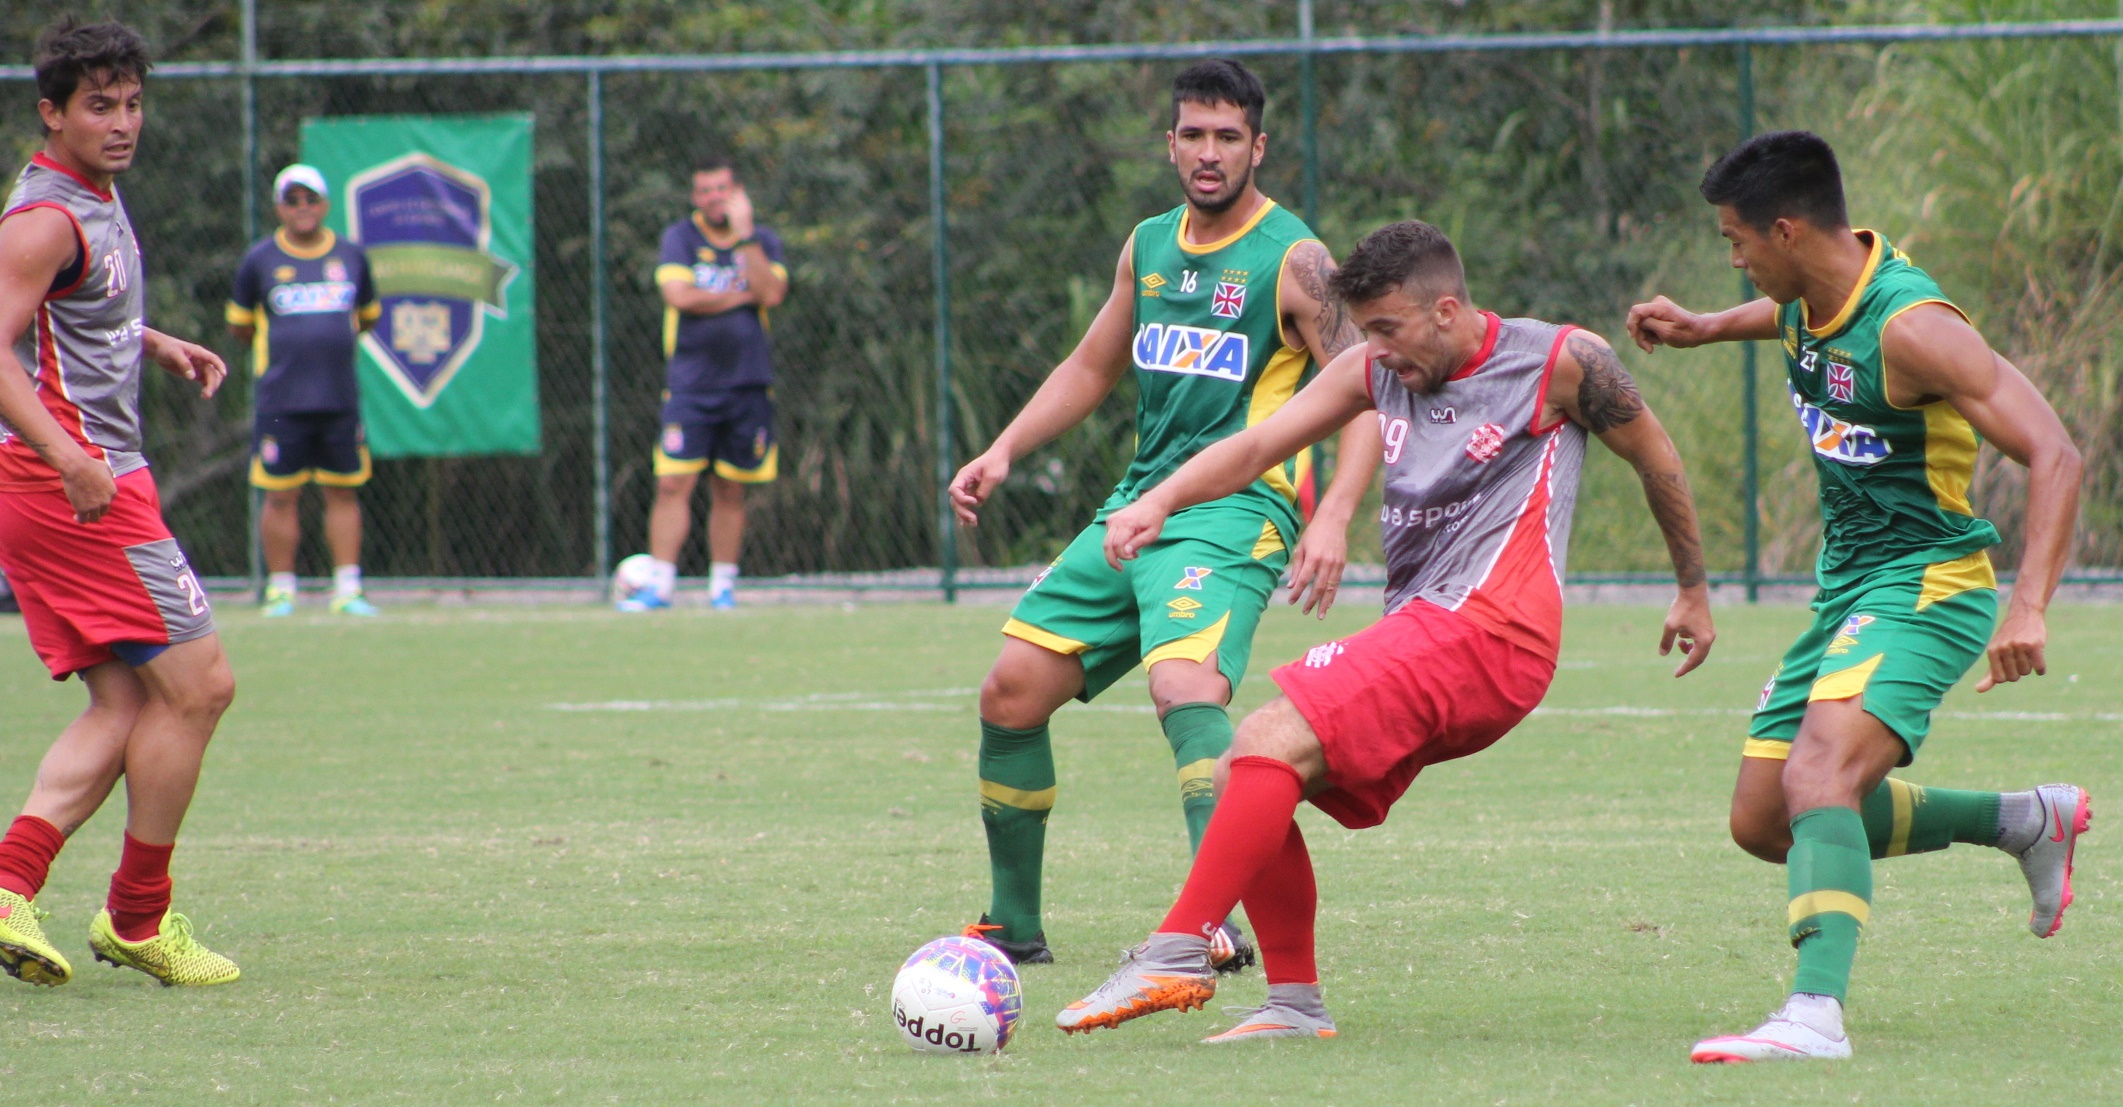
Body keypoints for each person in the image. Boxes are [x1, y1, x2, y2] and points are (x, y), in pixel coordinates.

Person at [1052, 218, 1715, 1043]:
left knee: (1266, 732)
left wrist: (1691, 587)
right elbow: (1260, 442)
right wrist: (1157, 501)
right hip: (1431, 627)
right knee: (1242, 774)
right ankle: (1293, 1005)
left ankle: (1176, 949)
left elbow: (1657, 457)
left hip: (1493, 628)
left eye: (1388, 329)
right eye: (1365, 331)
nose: (1376, 350)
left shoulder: (1558, 361)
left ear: (1445, 310)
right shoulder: (1372, 367)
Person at [1626, 131, 2087, 1063]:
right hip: (1847, 591)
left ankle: (1813, 1014)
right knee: (1762, 817)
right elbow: (1785, 322)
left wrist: (2028, 603)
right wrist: (1709, 323)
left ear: (1786, 231)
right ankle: (2024, 819)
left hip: (1930, 581)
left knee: (1818, 778)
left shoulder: (1911, 327)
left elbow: (2055, 452)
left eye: (1736, 241)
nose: (1733, 257)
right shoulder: (1806, 295)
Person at [946, 60, 1383, 971]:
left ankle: (1211, 923)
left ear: (1257, 146)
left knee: (1185, 687)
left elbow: (1369, 393)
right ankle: (1012, 926)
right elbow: (1091, 365)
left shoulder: (1297, 258)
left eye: (1229, 136)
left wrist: (1335, 512)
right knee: (1009, 693)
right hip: (1139, 505)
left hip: (1237, 512)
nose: (1209, 152)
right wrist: (1004, 448)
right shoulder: (1147, 244)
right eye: (1193, 134)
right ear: (1170, 143)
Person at [0, 17, 241, 988]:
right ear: (52, 113)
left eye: (133, 103)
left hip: (60, 481)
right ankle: (138, 917)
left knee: (129, 698)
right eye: (99, 105)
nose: (122, 122)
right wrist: (67, 452)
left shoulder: (87, 201)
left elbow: (68, 311)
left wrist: (152, 338)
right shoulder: (46, 217)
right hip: (76, 488)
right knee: (204, 686)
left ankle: (11, 886)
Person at [616, 156, 788, 611]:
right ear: (696, 197)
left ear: (737, 192)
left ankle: (722, 588)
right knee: (673, 484)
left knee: (731, 489)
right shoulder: (680, 238)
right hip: (690, 386)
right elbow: (679, 296)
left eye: (722, 189)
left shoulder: (762, 240)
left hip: (748, 384)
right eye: (706, 191)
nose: (715, 198)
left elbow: (770, 293)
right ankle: (661, 586)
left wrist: (745, 236)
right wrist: (740, 295)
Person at [228, 163, 381, 617]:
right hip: (281, 399)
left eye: (310, 199)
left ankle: (348, 589)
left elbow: (368, 317)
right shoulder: (260, 260)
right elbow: (240, 326)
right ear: (279, 207)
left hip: (338, 397)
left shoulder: (351, 257)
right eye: (293, 200)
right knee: (280, 494)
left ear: (325, 204)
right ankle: (281, 589)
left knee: (343, 491)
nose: (303, 208)